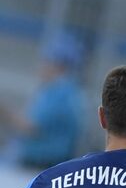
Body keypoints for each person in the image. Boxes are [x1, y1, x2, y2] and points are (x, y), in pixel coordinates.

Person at [0, 31, 84, 169]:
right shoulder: (61, 90)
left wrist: (3, 110)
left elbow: (30, 127)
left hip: (42, 166)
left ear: (59, 64)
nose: (41, 66)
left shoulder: (61, 92)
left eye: (46, 61)